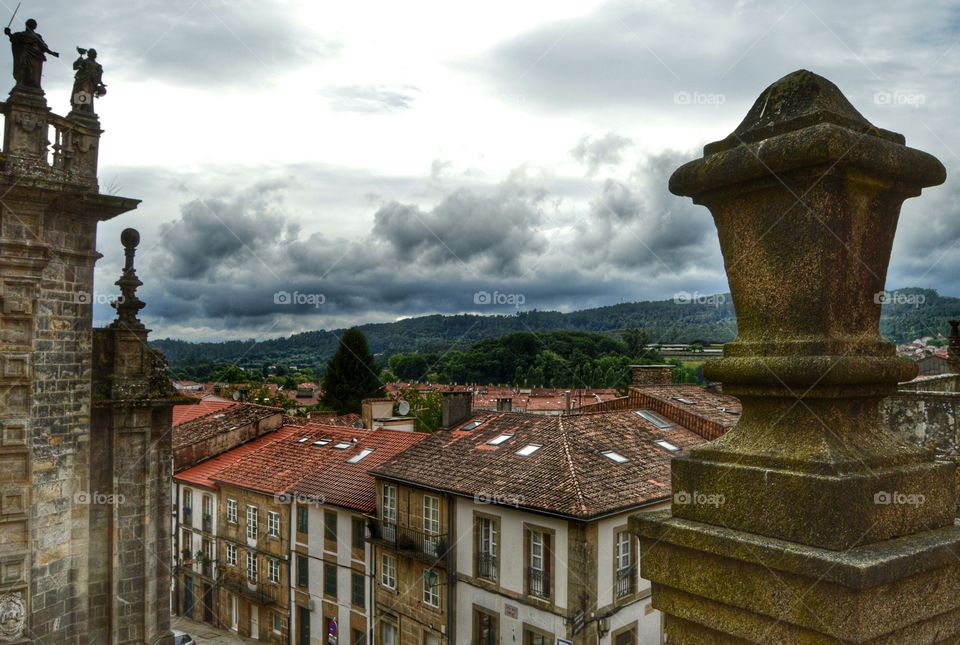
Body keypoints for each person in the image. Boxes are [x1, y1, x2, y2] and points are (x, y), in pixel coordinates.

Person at [4, 19, 58, 89]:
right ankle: (20, 83)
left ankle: (34, 86)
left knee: (34, 72)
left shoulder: (37, 36)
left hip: (36, 55)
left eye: (34, 24)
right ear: (27, 24)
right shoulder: (20, 35)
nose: (33, 25)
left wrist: (52, 53)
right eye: (31, 23)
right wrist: (9, 34)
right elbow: (14, 39)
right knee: (22, 66)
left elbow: (43, 46)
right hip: (24, 52)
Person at [71, 47, 105, 112]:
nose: (94, 55)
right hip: (82, 80)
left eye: (94, 54)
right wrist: (78, 61)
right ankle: (78, 108)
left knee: (88, 94)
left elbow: (99, 75)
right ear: (89, 54)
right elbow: (75, 67)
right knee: (83, 92)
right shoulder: (84, 61)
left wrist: (101, 83)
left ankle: (85, 109)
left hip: (91, 82)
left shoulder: (97, 65)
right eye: (92, 54)